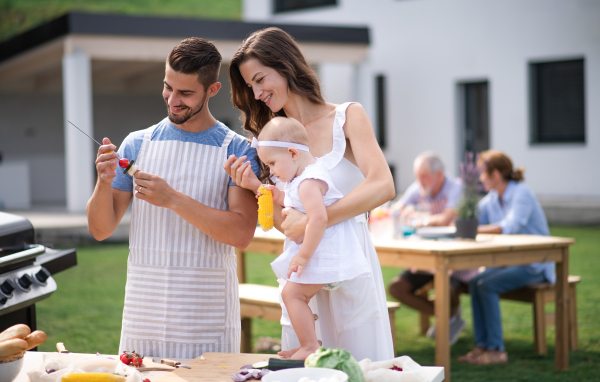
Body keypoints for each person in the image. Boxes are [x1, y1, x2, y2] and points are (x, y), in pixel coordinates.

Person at [224, 27, 396, 361]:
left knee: (360, 364)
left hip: (348, 260)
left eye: (260, 79)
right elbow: (285, 224)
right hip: (303, 272)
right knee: (308, 365)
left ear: (285, 66)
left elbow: (382, 184)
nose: (257, 93)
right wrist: (256, 190)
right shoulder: (271, 140)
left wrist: (318, 220)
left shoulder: (346, 117)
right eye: (250, 86)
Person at [86, 37, 259, 358]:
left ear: (213, 90)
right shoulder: (138, 144)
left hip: (206, 312)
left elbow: (241, 233)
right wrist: (103, 182)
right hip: (145, 309)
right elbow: (100, 230)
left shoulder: (236, 149)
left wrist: (173, 199)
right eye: (168, 87)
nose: (173, 100)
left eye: (185, 93)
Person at [254, 117, 371, 359]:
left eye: (273, 163)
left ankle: (309, 346)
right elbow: (296, 202)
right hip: (323, 248)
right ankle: (308, 343)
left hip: (325, 250)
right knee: (295, 295)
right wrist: (277, 196)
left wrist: (303, 255)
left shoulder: (308, 182)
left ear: (293, 153)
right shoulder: (303, 178)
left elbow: (318, 219)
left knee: (292, 294)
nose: (272, 171)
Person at [458, 150, 553, 365]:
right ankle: (482, 345)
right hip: (511, 264)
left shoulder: (522, 193)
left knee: (487, 285)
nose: (481, 178)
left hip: (535, 264)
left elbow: (511, 226)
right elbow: (470, 217)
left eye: (483, 174)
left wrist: (475, 229)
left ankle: (496, 350)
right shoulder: (493, 199)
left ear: (496, 175)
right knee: (475, 281)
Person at [388, 151, 476, 345]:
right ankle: (449, 317)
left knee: (447, 286)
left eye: (424, 176)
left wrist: (417, 219)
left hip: (456, 261)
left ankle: (449, 316)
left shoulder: (456, 188)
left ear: (439, 175)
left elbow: (447, 218)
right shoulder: (417, 188)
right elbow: (396, 210)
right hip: (425, 259)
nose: (421, 181)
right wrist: (406, 214)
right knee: (396, 288)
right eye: (418, 176)